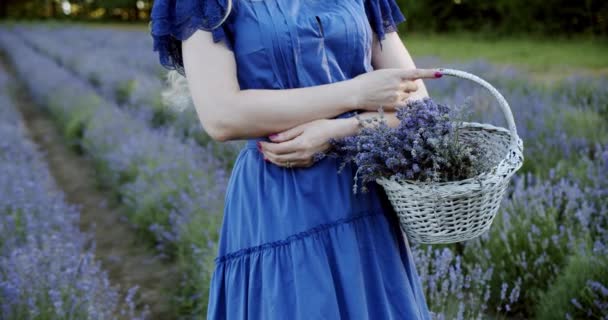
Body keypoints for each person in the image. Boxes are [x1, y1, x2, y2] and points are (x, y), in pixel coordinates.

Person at [150, 0, 442, 318]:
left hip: (363, 194)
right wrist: (355, 93)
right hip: (282, 201)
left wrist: (342, 130)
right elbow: (221, 116)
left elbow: (419, 108)